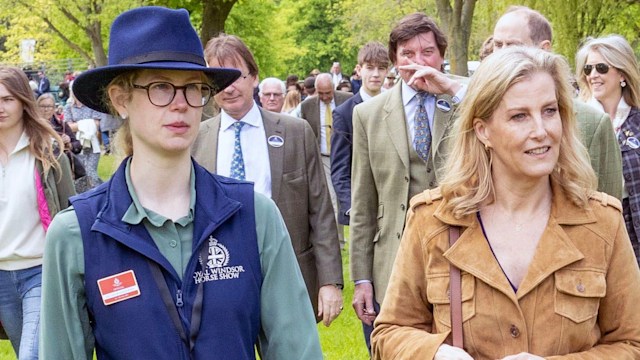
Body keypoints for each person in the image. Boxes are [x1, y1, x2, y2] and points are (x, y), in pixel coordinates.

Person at [40, 7, 323, 359]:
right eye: (161, 87)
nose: (181, 104)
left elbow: (296, 351)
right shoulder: (77, 234)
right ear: (120, 99)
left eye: (193, 88)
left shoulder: (254, 216)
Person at [372, 45, 640, 360]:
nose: (541, 131)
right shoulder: (433, 219)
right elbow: (389, 333)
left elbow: (632, 343)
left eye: (549, 111)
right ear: (483, 130)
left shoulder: (600, 222)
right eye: (519, 116)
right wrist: (436, 354)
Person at [192, 33, 344, 327]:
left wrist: (329, 282)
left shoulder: (295, 132)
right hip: (218, 280)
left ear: (254, 77)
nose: (230, 87)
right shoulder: (196, 139)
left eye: (236, 75)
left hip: (287, 273)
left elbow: (321, 211)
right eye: (219, 79)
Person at [349, 12, 467, 352]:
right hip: (394, 257)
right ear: (394, 61)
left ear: (442, 55)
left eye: (427, 52)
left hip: (459, 252)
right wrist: (362, 277)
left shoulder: (464, 102)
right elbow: (364, 201)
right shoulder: (368, 115)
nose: (419, 62)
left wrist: (453, 92)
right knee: (397, 347)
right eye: (408, 54)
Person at [492, 5, 623, 199]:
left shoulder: (593, 123)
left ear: (544, 49)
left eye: (512, 45)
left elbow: (610, 209)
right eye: (497, 45)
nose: (501, 54)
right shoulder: (482, 113)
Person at [0, 66, 75, 359]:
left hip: (41, 271)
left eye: (7, 99)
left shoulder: (48, 154)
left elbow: (71, 214)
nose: (1, 107)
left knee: (33, 356)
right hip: (2, 277)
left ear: (23, 102)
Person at [576, 35, 640, 264]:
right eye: (588, 69)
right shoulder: (576, 121)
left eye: (601, 68)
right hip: (593, 226)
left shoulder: (637, 120)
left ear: (622, 73)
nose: (593, 75)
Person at [331, 41, 389, 228]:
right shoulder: (344, 112)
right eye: (370, 68)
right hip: (362, 202)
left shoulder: (397, 105)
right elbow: (340, 167)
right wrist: (350, 206)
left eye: (381, 68)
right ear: (359, 69)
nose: (375, 74)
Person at [299, 73, 352, 248]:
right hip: (323, 158)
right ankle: (338, 241)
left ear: (333, 89)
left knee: (347, 196)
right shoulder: (307, 106)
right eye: (321, 93)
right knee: (330, 198)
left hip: (346, 157)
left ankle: (351, 236)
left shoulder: (348, 100)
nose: (325, 97)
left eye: (328, 93)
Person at [63, 90, 103, 190]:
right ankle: (86, 195)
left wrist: (77, 125)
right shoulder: (68, 107)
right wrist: (88, 123)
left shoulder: (93, 105)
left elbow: (96, 124)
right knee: (81, 174)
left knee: (91, 172)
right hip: (77, 145)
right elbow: (69, 127)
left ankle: (98, 192)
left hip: (92, 144)